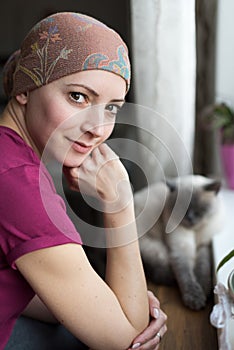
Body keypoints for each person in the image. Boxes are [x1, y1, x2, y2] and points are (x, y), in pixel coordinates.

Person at [0, 12, 167, 350]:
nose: (98, 129)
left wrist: (108, 303)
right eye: (78, 97)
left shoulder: (12, 155)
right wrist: (119, 204)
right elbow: (128, 343)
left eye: (112, 108)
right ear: (25, 89)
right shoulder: (18, 184)